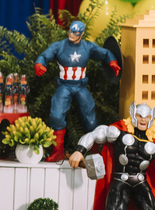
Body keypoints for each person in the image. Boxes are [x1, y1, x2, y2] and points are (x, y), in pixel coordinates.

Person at [34, 19, 120, 162]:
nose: (71, 34)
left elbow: (105, 53)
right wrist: (39, 64)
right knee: (56, 115)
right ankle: (58, 151)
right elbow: (45, 55)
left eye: (75, 33)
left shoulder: (87, 46)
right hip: (64, 86)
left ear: (82, 34)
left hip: (81, 86)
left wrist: (112, 61)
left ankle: (92, 151)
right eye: (70, 31)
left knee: (90, 119)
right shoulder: (60, 46)